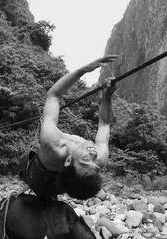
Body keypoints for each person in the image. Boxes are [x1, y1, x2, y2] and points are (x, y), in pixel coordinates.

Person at [19, 55, 118, 200]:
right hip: (64, 181)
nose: (93, 156)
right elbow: (105, 123)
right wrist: (107, 97)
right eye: (95, 166)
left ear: (68, 160)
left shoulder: (53, 144)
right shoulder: (99, 158)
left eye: (85, 161)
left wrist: (82, 70)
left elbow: (53, 95)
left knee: (29, 173)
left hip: (36, 175)